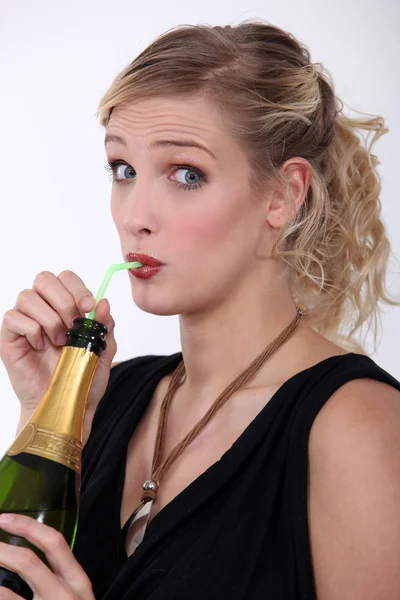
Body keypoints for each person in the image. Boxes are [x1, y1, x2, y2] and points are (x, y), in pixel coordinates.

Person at [1, 18, 400, 600]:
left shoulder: (356, 429)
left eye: (186, 174)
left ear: (282, 195)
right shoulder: (112, 395)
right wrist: (45, 419)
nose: (136, 214)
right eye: (123, 169)